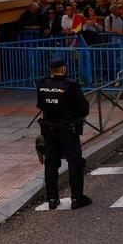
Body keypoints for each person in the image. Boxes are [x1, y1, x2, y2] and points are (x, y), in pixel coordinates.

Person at [36, 57, 91, 209]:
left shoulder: (41, 84)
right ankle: (76, 198)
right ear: (63, 69)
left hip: (49, 129)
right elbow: (84, 109)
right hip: (68, 130)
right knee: (75, 163)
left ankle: (52, 199)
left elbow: (40, 104)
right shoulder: (70, 85)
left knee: (51, 163)